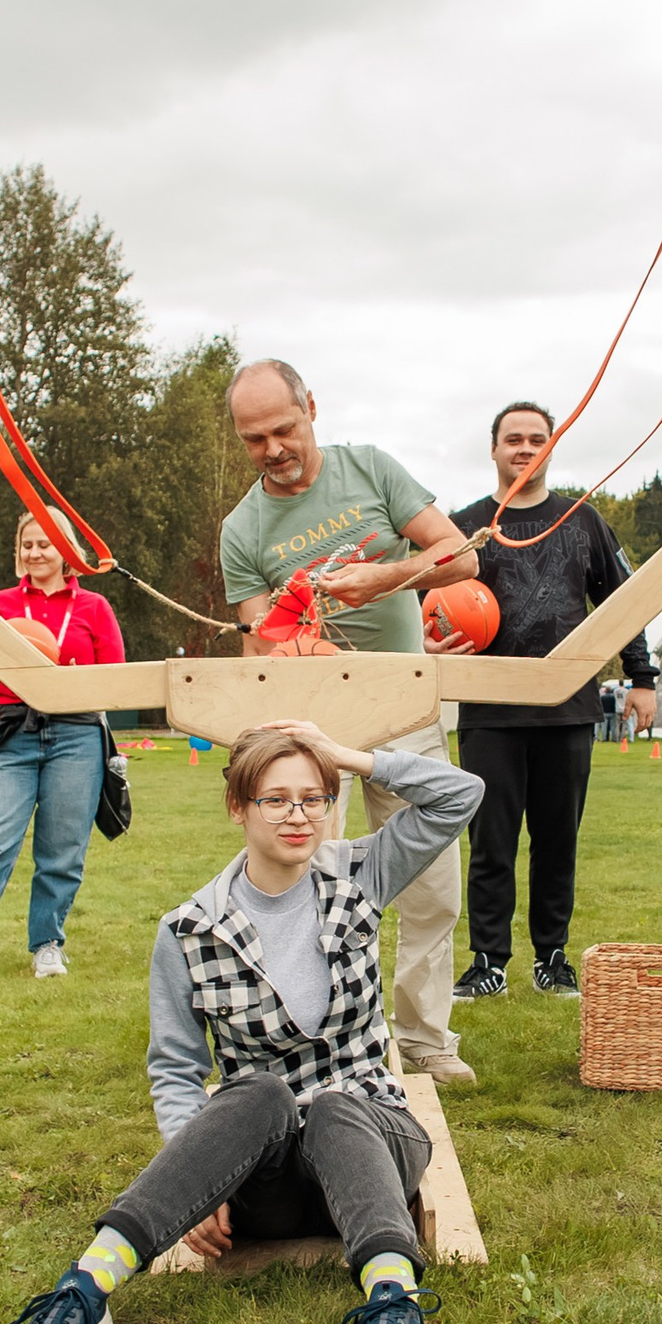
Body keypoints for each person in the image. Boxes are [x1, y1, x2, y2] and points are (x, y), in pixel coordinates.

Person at [0, 719, 480, 1324]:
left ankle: (394, 1304)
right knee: (255, 1093)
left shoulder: (361, 873)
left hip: (370, 1150)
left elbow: (461, 793)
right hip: (269, 1182)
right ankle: (84, 1290)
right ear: (238, 807)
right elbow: (174, 1066)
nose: (298, 815)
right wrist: (198, 1187)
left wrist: (347, 754)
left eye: (313, 797)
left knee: (340, 1103)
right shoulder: (190, 930)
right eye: (276, 799)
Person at [219, 360, 482, 1085]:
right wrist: (301, 645)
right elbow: (255, 642)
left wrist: (385, 576)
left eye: (283, 428)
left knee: (431, 883)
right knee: (300, 884)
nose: (271, 448)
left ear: (312, 407)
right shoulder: (242, 528)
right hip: (308, 728)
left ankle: (424, 1038)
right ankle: (309, 1036)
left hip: (404, 704)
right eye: (253, 438)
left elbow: (462, 556)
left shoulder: (369, 469)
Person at [436, 402, 657, 1000]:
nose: (525, 448)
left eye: (537, 439)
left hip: (568, 708)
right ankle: (488, 963)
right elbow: (429, 609)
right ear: (494, 449)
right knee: (491, 843)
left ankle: (552, 958)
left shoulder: (584, 523)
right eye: (513, 439)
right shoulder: (464, 527)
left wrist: (643, 677)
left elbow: (626, 601)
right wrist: (437, 648)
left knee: (557, 842)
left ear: (552, 447)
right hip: (489, 712)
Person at [0, 508, 125, 976]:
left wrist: (77, 684)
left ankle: (47, 944)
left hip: (76, 734)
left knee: (62, 848)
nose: (35, 552)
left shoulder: (94, 608)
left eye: (46, 543)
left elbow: (117, 680)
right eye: (28, 544)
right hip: (11, 733)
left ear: (66, 551)